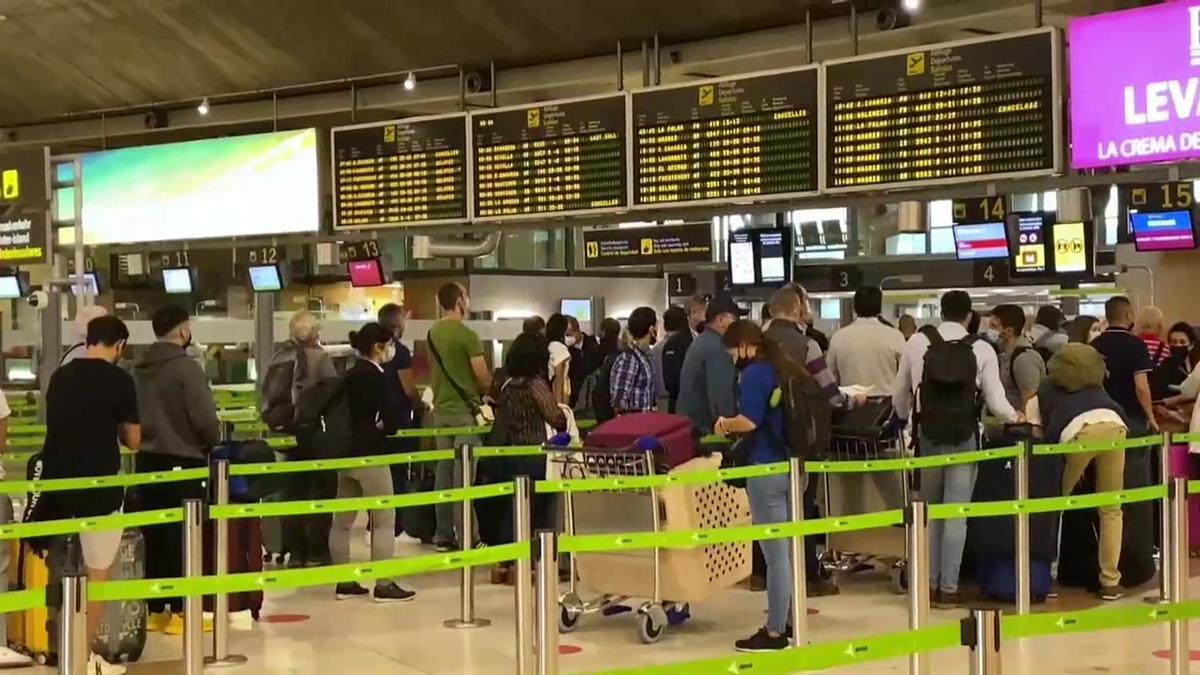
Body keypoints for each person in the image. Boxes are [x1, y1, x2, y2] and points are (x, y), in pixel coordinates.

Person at [892, 290, 1020, 608]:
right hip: (965, 439)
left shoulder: (917, 343)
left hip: (928, 437)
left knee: (931, 514)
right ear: (968, 316)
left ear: (940, 311)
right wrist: (1015, 417)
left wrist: (910, 423)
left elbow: (899, 396)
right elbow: (996, 401)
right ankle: (949, 589)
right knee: (956, 515)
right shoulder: (981, 349)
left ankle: (928, 584)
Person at [30, 316, 139, 675]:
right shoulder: (120, 380)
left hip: (57, 489)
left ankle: (52, 644)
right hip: (99, 491)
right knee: (98, 573)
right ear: (119, 346)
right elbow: (133, 440)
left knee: (58, 572)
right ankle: (83, 658)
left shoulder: (60, 376)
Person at [713, 319, 811, 653]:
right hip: (793, 467)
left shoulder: (754, 374)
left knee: (775, 554)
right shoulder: (784, 367)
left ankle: (774, 632)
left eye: (731, 353)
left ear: (743, 346)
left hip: (766, 469)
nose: (732, 359)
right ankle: (790, 618)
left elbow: (749, 421)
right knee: (789, 549)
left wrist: (725, 424)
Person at [133, 305, 221, 632]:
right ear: (183, 331)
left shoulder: (138, 367)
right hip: (184, 462)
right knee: (187, 537)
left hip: (147, 461)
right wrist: (212, 442)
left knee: (155, 536)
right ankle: (185, 612)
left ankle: (157, 609)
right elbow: (204, 419)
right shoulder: (187, 369)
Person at [764, 286, 854, 597]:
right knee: (802, 506)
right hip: (802, 439)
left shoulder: (757, 342)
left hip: (764, 439)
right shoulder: (808, 346)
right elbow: (831, 394)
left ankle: (764, 574)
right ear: (798, 308)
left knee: (767, 512)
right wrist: (852, 402)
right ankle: (807, 576)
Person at [1027, 343, 1130, 600]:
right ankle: (1110, 581)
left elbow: (1039, 439)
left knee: (1053, 507)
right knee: (1111, 508)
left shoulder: (1042, 392)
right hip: (1115, 425)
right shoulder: (1098, 387)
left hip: (1076, 433)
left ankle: (1045, 575)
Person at [329, 322, 415, 602]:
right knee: (383, 520)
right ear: (378, 347)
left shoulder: (350, 374)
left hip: (344, 454)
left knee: (342, 521)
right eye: (389, 344)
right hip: (371, 455)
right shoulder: (376, 376)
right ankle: (384, 583)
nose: (392, 350)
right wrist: (385, 426)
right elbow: (392, 421)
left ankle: (344, 582)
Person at [486, 333, 568, 583]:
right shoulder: (535, 385)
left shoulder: (508, 386)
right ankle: (536, 558)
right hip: (535, 454)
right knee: (540, 508)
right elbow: (556, 418)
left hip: (511, 454)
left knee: (516, 507)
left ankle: (506, 560)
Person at [261, 310, 338, 566]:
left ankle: (295, 553)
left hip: (282, 432)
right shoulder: (321, 359)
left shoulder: (278, 357)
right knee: (319, 491)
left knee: (291, 493)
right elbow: (333, 396)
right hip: (311, 433)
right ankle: (317, 552)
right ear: (314, 333)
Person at [428, 283, 492, 551]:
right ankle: (470, 536)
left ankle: (443, 535)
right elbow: (481, 374)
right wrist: (487, 391)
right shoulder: (467, 335)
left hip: (440, 412)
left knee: (443, 476)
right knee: (464, 478)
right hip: (465, 414)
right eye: (467, 296)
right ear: (459, 301)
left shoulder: (433, 333)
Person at [379, 303, 424, 541]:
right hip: (398, 420)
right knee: (398, 474)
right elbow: (408, 389)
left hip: (375, 422)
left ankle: (376, 525)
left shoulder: (372, 350)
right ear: (397, 324)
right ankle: (398, 526)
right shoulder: (401, 352)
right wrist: (420, 406)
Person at [1090, 297, 1158, 434]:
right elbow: (1141, 386)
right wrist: (1150, 416)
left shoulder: (1094, 345)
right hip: (1131, 415)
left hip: (1100, 415)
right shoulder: (1136, 345)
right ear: (1129, 315)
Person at [676, 296, 742, 435]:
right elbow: (720, 396)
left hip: (691, 427)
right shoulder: (718, 348)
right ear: (720, 320)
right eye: (734, 320)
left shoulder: (702, 341)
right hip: (707, 432)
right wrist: (730, 428)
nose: (737, 325)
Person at [826, 286, 906, 395]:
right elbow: (905, 375)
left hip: (851, 405)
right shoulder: (895, 336)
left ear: (855, 308)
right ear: (879, 307)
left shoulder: (838, 337)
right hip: (886, 405)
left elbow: (830, 376)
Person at [989, 304, 1047, 411]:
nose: (989, 331)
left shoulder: (1025, 358)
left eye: (994, 326)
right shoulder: (1003, 356)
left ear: (1009, 331)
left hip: (1018, 425)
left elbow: (1029, 400)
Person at [609, 307, 658, 415]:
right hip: (634, 426)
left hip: (645, 422)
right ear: (651, 329)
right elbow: (619, 401)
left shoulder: (645, 355)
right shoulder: (630, 359)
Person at [658, 305, 693, 413]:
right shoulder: (692, 341)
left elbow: (671, 379)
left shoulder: (671, 344)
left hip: (676, 401)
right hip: (691, 400)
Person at [545, 313, 572, 405]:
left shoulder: (549, 345)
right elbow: (559, 376)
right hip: (558, 391)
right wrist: (559, 403)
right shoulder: (559, 348)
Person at [564, 315, 589, 407]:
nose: (567, 338)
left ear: (577, 330)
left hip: (589, 393)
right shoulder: (564, 349)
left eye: (569, 334)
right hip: (573, 395)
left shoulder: (593, 343)